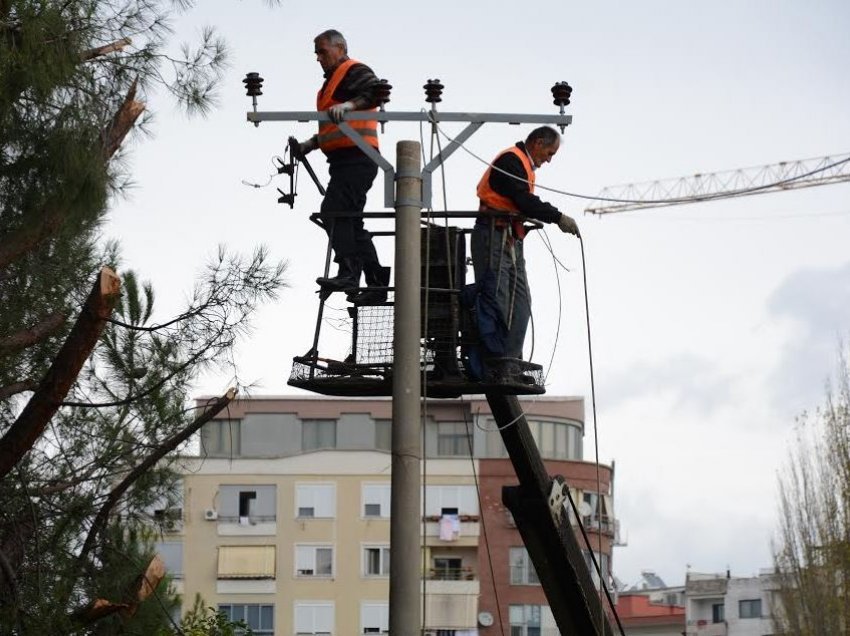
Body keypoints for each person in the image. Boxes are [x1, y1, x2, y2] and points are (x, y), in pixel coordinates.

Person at [471, 125, 580, 365]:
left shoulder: (522, 165)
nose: (549, 160)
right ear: (538, 143)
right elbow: (524, 200)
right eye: (550, 153)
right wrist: (557, 217)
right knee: (496, 297)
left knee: (521, 301)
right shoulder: (512, 160)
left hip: (509, 237)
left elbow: (522, 201)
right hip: (492, 234)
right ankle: (493, 360)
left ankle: (508, 360)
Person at [296, 29, 389, 304]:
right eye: (316, 52)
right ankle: (376, 283)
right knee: (350, 221)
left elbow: (374, 92)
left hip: (357, 158)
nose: (318, 57)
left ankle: (349, 271)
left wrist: (349, 105)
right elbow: (333, 125)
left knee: (333, 212)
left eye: (322, 51)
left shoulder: (353, 70)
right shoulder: (330, 85)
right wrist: (311, 144)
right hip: (344, 161)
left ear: (340, 47)